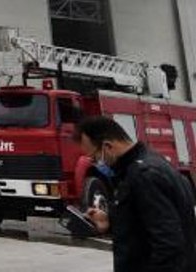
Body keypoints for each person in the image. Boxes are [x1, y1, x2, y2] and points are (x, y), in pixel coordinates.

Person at [75, 115, 196, 272]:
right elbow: (147, 223)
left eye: (94, 157)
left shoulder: (143, 175)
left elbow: (168, 243)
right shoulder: (151, 164)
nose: (96, 163)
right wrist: (111, 221)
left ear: (107, 146)